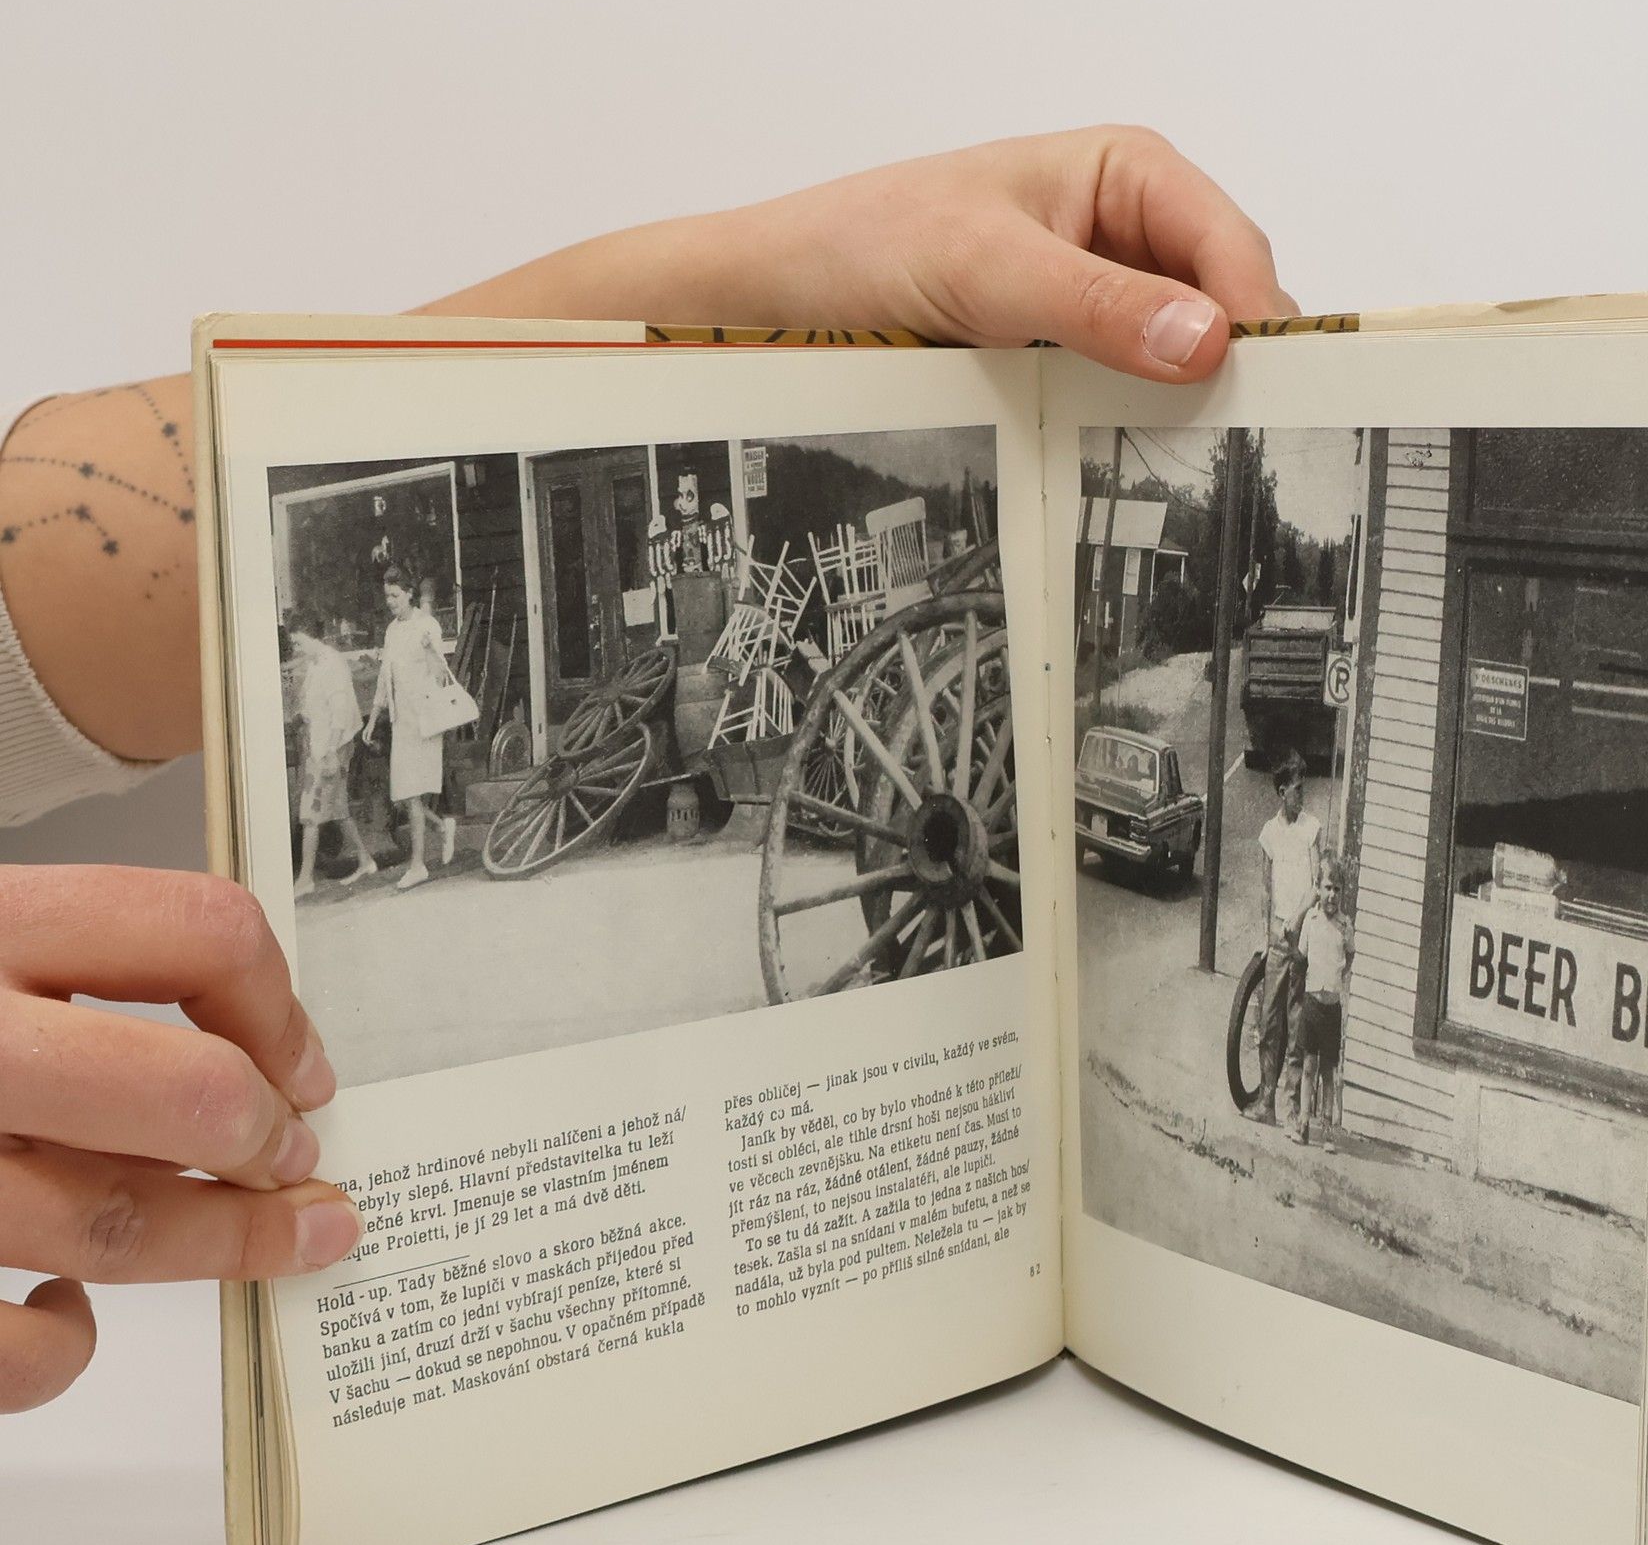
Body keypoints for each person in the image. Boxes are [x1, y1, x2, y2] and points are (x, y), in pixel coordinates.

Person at [0, 126, 1296, 1413]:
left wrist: (719, 288)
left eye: (688, 521)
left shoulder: (711, 579)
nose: (685, 531)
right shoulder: (663, 594)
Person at [361, 566, 456, 890]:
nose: (390, 601)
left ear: (410, 593)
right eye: (387, 596)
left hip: (424, 719)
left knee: (411, 792)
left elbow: (441, 676)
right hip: (401, 721)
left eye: (395, 595)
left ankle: (417, 865)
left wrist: (430, 649)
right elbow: (384, 679)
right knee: (402, 794)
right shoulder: (392, 631)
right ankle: (441, 827)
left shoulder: (427, 625)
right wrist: (373, 717)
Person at [1247, 750, 1321, 1128]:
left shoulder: (1311, 829)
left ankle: (1292, 1108)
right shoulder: (1269, 834)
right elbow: (1265, 890)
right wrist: (1267, 934)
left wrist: (1297, 919)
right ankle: (1266, 1102)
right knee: (1269, 1021)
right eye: (1297, 789)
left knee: (1296, 1025)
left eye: (1303, 788)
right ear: (1282, 792)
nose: (1302, 795)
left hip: (1302, 939)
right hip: (1278, 937)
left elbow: (1316, 886)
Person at [285, 610, 379, 900]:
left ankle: (305, 879)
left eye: (298, 642)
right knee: (338, 810)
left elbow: (340, 714)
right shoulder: (315, 664)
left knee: (310, 814)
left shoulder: (331, 664)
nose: (296, 648)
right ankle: (366, 860)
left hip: (330, 748)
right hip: (321, 745)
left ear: (311, 637)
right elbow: (314, 706)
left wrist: (330, 753)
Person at [1291, 866, 1354, 1148]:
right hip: (1312, 1003)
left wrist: (1337, 979)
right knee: (1308, 1066)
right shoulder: (1312, 919)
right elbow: (1302, 955)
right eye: (1328, 888)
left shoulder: (1345, 925)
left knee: (1328, 1071)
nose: (1332, 895)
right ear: (1319, 888)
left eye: (1337, 889)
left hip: (1332, 1006)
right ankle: (1303, 1123)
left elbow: (1349, 957)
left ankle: (1327, 1128)